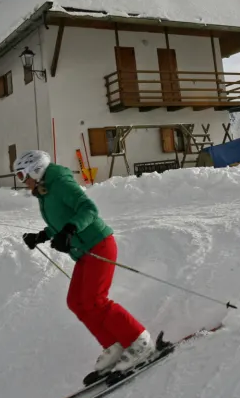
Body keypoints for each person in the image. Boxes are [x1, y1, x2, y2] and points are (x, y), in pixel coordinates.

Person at [15, 150, 154, 374]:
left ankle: (139, 341)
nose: (22, 181)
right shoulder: (46, 191)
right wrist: (42, 235)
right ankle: (114, 345)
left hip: (99, 244)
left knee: (95, 300)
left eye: (23, 175)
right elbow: (62, 219)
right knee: (76, 302)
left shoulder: (59, 183)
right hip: (84, 251)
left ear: (36, 170)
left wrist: (71, 229)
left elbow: (89, 209)